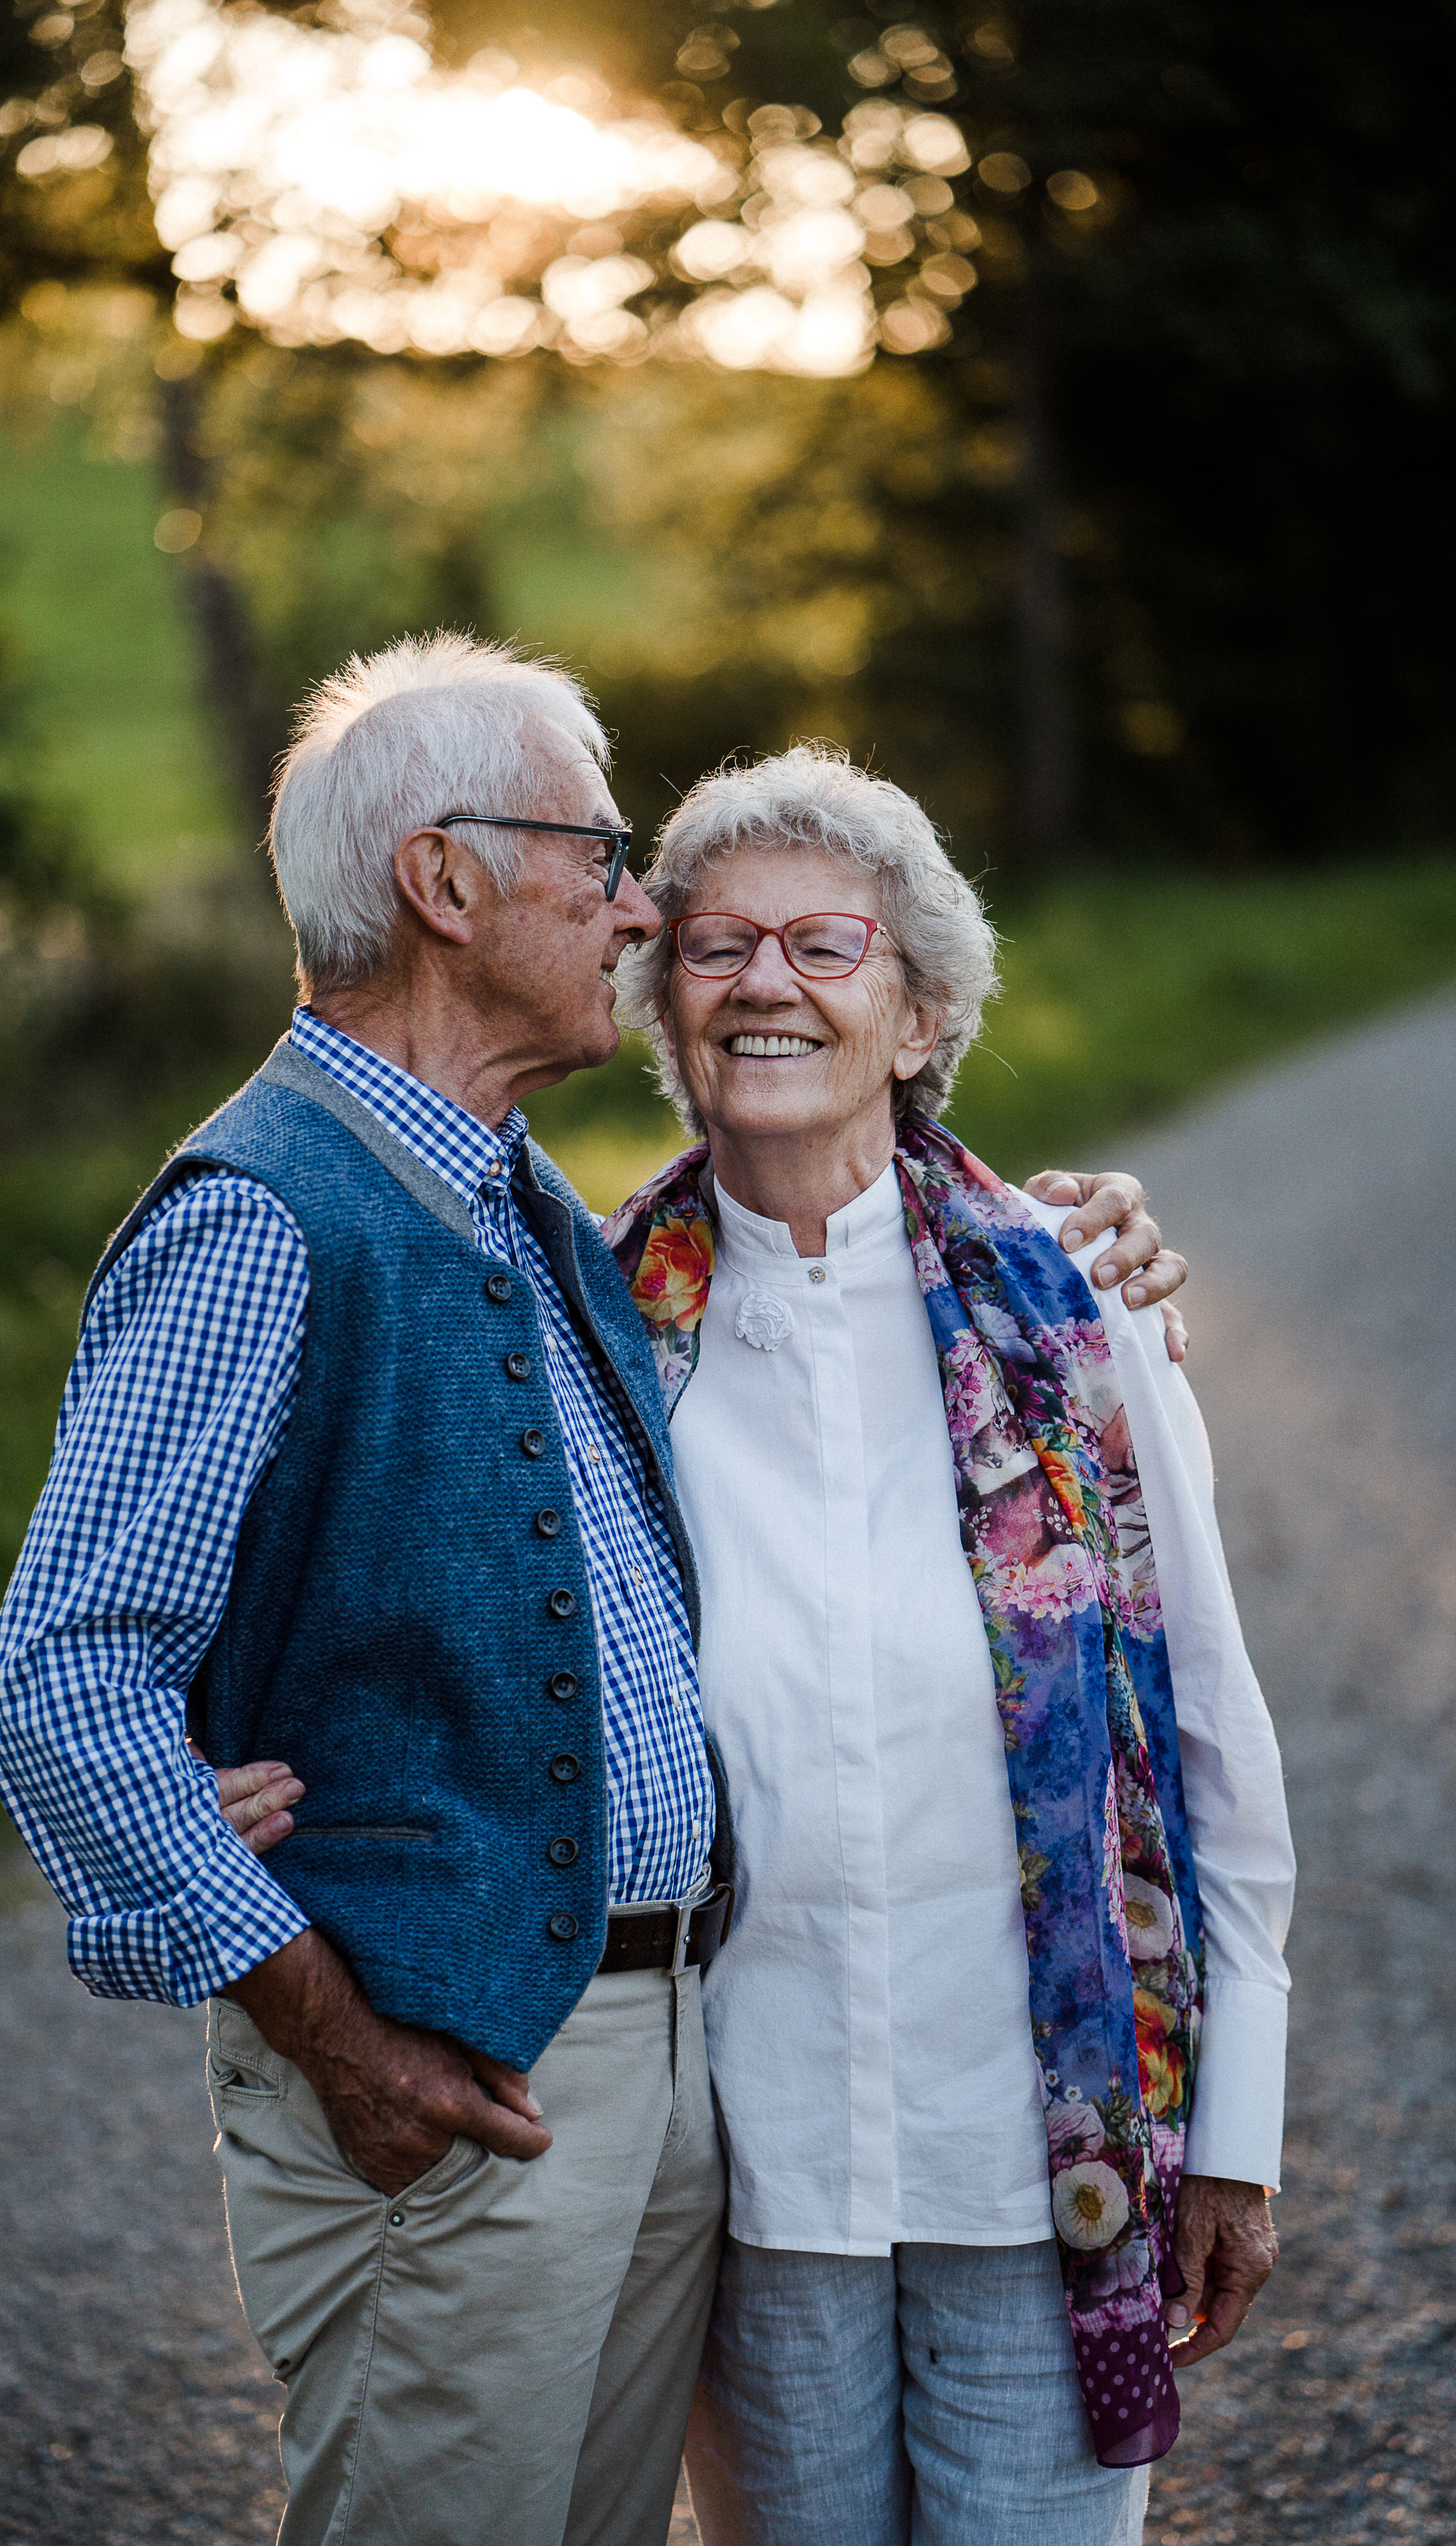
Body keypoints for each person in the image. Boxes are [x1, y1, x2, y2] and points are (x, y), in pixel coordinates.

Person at [0, 636, 1187, 2546]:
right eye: (597, 852)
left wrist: (1064, 1246)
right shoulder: (260, 1210)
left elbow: (860, 1257)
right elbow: (59, 1675)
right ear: (443, 884)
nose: (637, 903)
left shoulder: (532, 1204)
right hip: (456, 2077)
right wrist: (317, 2021)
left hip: (657, 2072)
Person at [589, 746, 1296, 2546]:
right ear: (668, 1010)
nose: (765, 984)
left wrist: (1237, 2131)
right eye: (717, 949)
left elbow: (1209, 1727)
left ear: (921, 1017)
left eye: (828, 947)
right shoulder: (598, 1338)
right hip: (748, 2158)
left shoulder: (1075, 1306)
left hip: (1038, 2142)